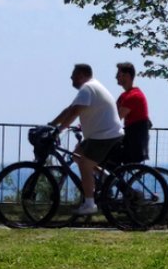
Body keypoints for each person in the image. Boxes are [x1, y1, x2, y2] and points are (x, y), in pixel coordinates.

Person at [49, 63, 123, 216]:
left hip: (104, 135)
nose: (71, 77)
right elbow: (70, 109)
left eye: (73, 75)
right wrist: (52, 125)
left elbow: (75, 113)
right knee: (76, 154)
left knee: (84, 164)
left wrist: (58, 130)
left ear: (82, 75)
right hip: (101, 134)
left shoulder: (87, 88)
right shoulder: (90, 88)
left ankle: (90, 204)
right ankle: (107, 178)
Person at [115, 62, 152, 163]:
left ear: (127, 76)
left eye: (118, 74)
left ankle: (110, 178)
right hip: (130, 138)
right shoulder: (124, 96)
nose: (116, 77)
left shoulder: (133, 96)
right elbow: (110, 113)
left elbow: (116, 118)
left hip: (134, 142)